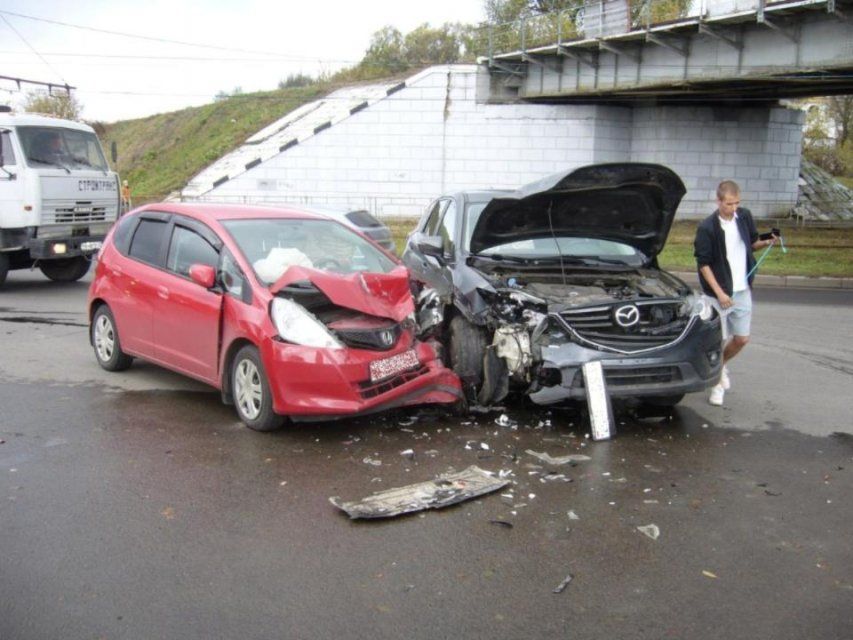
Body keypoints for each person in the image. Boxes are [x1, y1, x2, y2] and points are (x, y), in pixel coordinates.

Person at [694, 180, 777, 406]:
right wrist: (720, 293)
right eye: (729, 204)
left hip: (742, 289)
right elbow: (704, 264)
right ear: (718, 201)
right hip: (718, 294)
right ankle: (717, 385)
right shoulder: (707, 228)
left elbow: (752, 243)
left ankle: (720, 367)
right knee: (716, 340)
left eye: (737, 203)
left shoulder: (744, 216)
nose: (733, 208)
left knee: (741, 339)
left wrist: (769, 240)